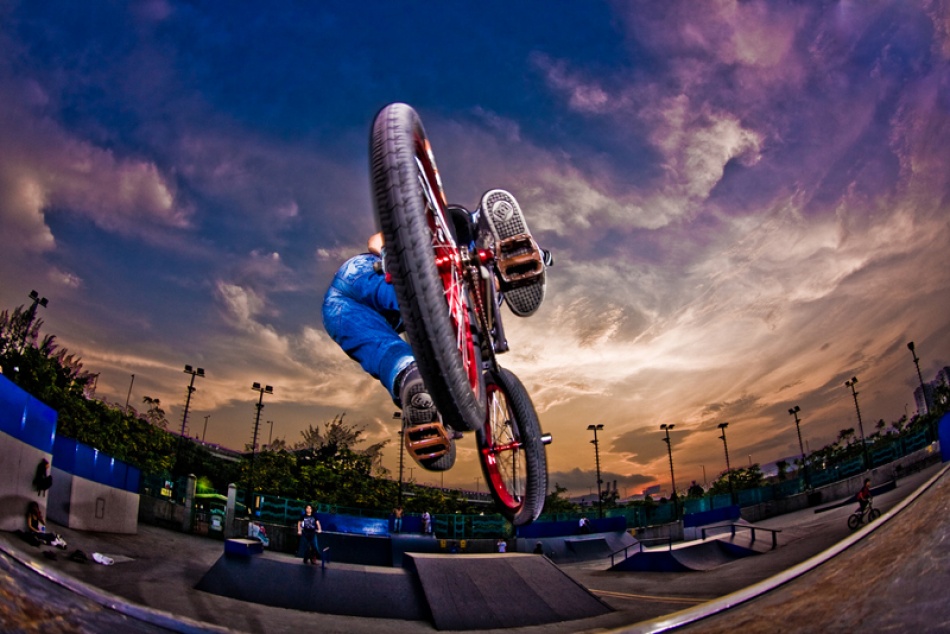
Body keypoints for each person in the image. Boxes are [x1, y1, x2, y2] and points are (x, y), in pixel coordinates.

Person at [322, 190, 549, 473]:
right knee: (434, 298)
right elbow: (376, 241)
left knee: (396, 358)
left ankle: (415, 386)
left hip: (341, 310)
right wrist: (388, 252)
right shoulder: (452, 248)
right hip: (371, 273)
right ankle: (506, 247)